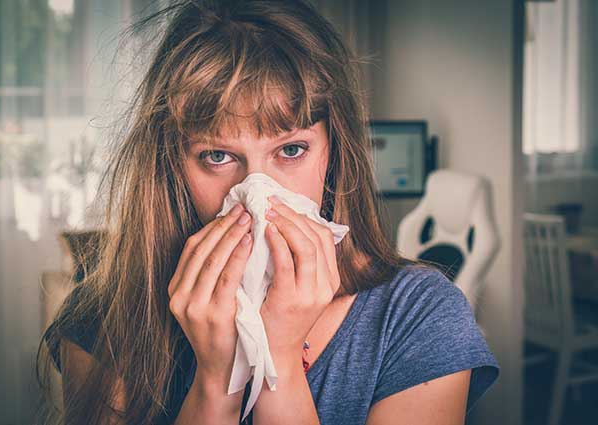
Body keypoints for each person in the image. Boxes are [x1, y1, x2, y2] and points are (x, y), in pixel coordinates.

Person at [36, 1, 499, 424]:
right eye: (217, 156)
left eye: (291, 149)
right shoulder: (102, 318)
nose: (257, 193)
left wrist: (278, 359)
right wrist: (217, 384)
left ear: (333, 152)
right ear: (174, 165)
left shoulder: (419, 317)